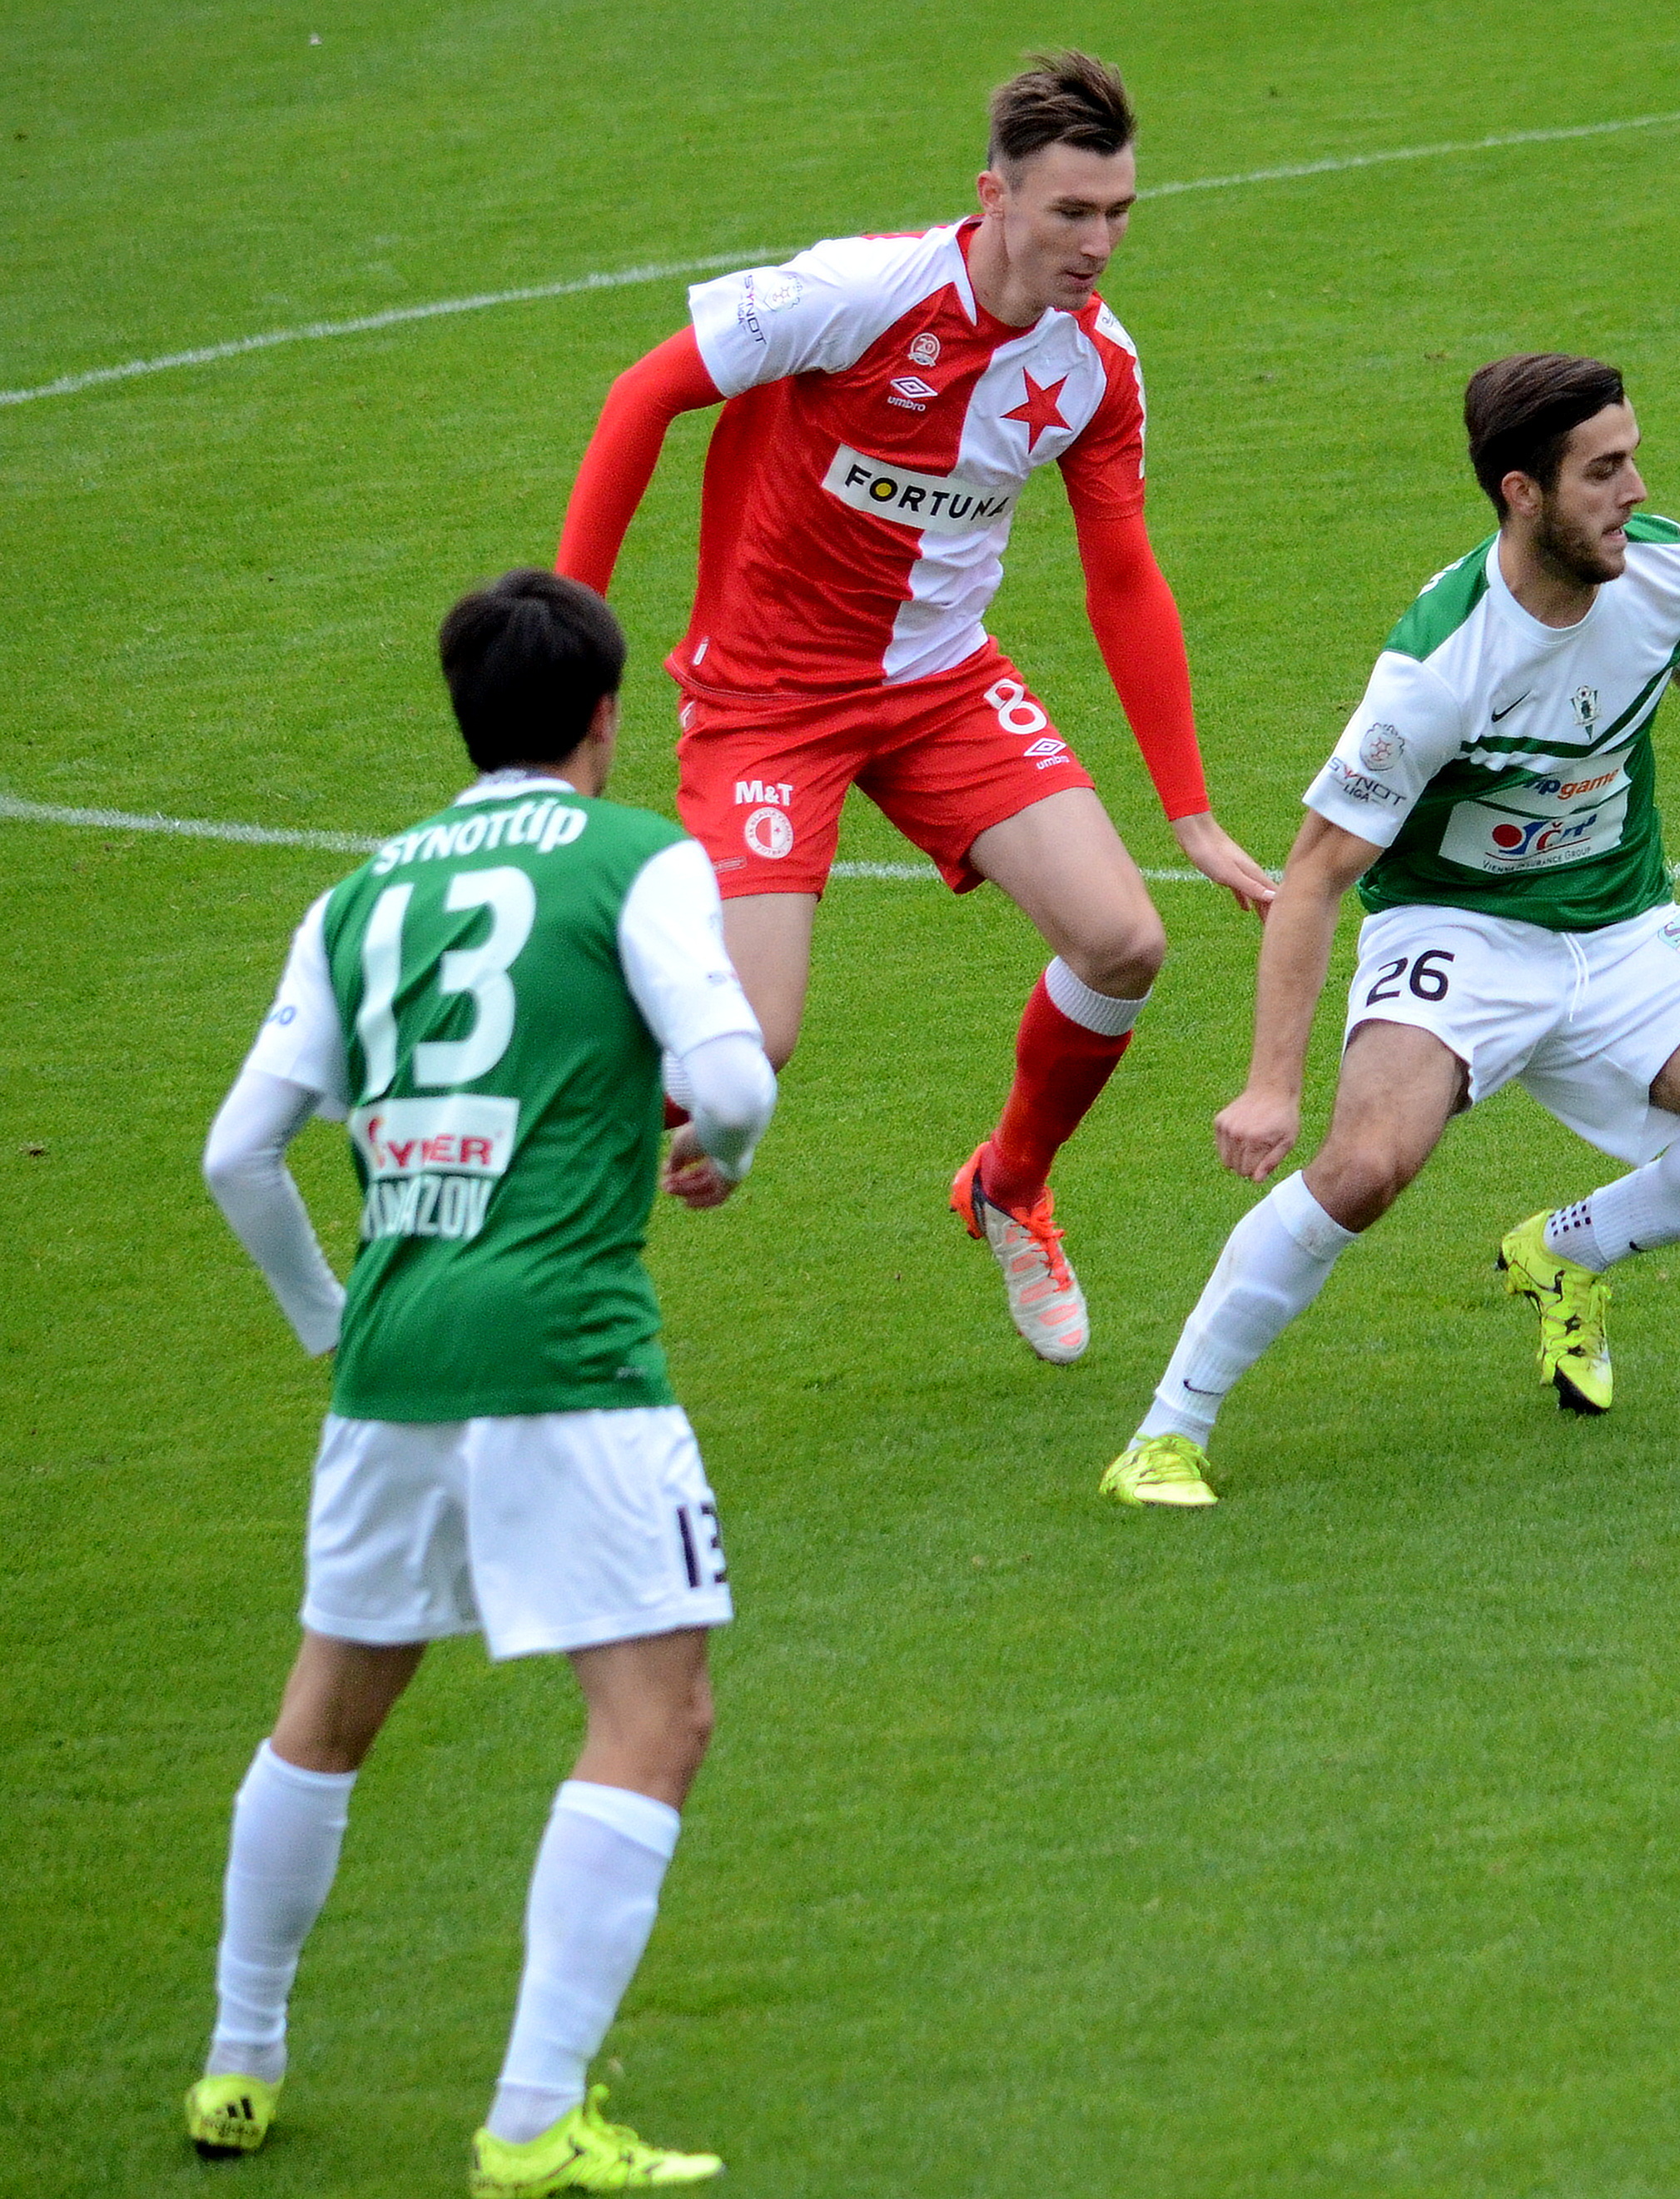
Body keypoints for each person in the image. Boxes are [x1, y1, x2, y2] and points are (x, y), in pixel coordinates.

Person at [186, 572, 777, 2193]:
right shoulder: (638, 857)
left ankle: (239, 2058)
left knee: (326, 1713)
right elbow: (729, 1076)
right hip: (571, 1350)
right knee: (656, 1716)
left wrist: (334, 1324)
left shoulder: (361, 894)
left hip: (394, 1356)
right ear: (605, 716)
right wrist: (720, 1155)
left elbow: (239, 1154)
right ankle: (531, 2118)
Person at [553, 49, 1273, 1368]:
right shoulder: (856, 291)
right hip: (769, 698)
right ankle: (518, 1141)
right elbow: (641, 397)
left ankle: (1009, 1185)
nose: (1098, 243)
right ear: (994, 196)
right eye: (1070, 212)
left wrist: (1191, 811)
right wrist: (569, 641)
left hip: (942, 683)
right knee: (752, 1043)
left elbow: (1122, 572)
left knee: (1125, 942)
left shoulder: (1097, 368)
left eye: (1118, 213)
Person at [1095, 354, 1680, 1508]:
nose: (1636, 490)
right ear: (1522, 493)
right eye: (1603, 472)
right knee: (1364, 1169)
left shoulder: (1668, 566)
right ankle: (1165, 1436)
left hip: (1623, 922)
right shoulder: (1440, 667)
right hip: (1460, 930)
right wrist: (1270, 1087)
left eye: (1634, 458)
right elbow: (1314, 874)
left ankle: (1566, 1252)